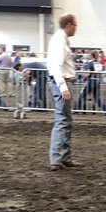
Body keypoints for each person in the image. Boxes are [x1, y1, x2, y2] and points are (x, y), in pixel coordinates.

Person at [46, 13, 77, 170]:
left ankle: (64, 157)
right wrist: (63, 87)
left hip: (62, 83)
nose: (76, 28)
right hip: (62, 83)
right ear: (69, 25)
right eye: (75, 25)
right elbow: (56, 66)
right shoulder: (59, 41)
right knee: (62, 121)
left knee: (65, 121)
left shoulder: (60, 39)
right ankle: (56, 159)